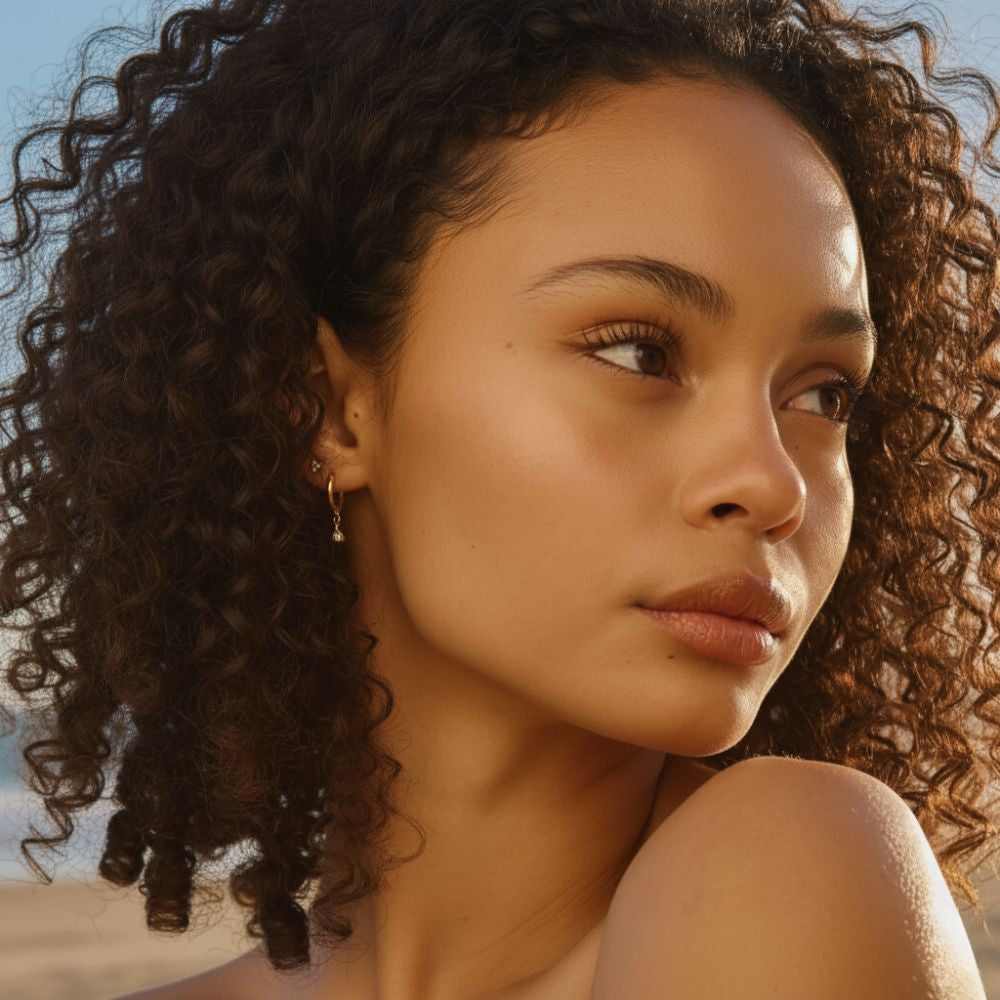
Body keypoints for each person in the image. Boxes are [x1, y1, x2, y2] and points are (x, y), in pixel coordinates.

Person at [0, 0, 997, 996]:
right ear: (330, 413)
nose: (773, 481)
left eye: (823, 394)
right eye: (638, 352)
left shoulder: (786, 863)